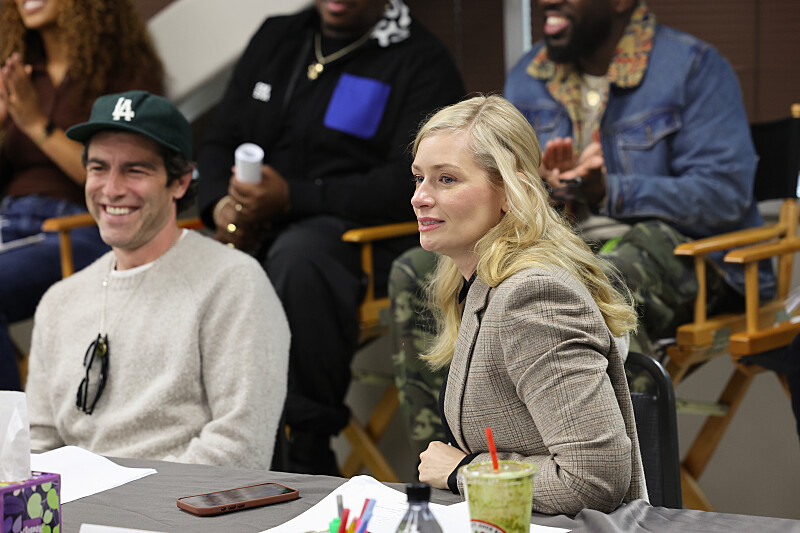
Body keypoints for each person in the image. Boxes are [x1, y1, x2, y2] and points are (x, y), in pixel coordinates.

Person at [196, 0, 464, 474]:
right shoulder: (278, 36)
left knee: (301, 258)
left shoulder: (420, 59)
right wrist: (221, 206)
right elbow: (218, 140)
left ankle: (306, 444)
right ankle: (200, 437)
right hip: (256, 227)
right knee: (194, 260)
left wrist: (294, 198)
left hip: (355, 240)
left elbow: (411, 180)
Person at [25, 90, 290, 469]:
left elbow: (239, 449)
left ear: (180, 182)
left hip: (180, 521)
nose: (112, 188)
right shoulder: (58, 301)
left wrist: (121, 511)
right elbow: (37, 448)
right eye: (98, 168)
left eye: (135, 170)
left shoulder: (234, 282)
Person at [412, 95, 646, 515]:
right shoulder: (479, 282)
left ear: (510, 191)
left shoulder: (532, 297)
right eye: (418, 179)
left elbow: (594, 480)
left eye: (446, 179)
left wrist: (463, 472)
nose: (420, 197)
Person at [504, 0, 775, 353]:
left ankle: (614, 411)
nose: (546, 1)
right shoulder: (528, 75)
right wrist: (539, 185)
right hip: (562, 247)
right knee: (419, 276)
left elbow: (724, 195)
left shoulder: (694, 67)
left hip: (691, 256)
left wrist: (606, 191)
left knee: (590, 285)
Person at [0, 0, 163, 391]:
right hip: (8, 223)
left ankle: (7, 446)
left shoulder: (120, 72)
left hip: (77, 231)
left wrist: (37, 124)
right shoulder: (19, 73)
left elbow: (119, 182)